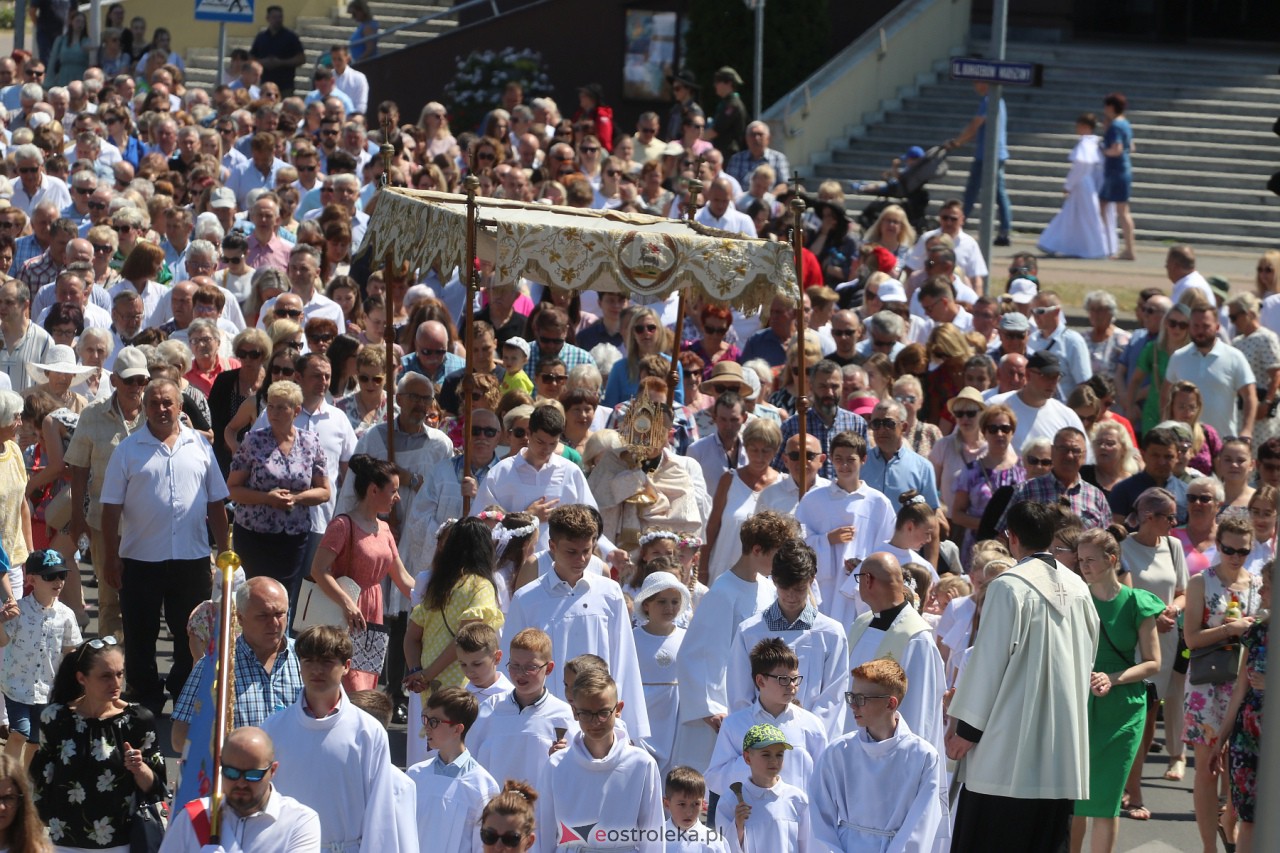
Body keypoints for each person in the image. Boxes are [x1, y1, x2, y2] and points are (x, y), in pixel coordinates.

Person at [946, 500, 1100, 853]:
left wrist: (965, 732)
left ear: (1011, 538)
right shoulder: (1080, 590)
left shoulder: (1008, 587)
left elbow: (988, 664)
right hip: (1062, 753)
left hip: (1007, 757)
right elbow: (1087, 660)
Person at [100, 378, 230, 709]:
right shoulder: (127, 450)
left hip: (192, 558)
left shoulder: (200, 447)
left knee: (192, 632)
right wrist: (110, 558)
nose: (161, 409)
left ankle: (182, 688)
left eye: (167, 402)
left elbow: (216, 504)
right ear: (144, 408)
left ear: (180, 407)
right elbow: (110, 509)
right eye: (154, 403)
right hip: (141, 559)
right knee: (141, 634)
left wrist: (226, 552)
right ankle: (145, 696)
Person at [501, 504, 649, 739]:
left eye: (586, 551)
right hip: (542, 721)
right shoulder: (528, 598)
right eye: (571, 551)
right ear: (552, 546)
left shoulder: (609, 593)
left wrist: (630, 724)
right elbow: (511, 662)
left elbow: (624, 658)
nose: (580, 559)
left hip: (598, 718)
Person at [262, 625, 412, 852]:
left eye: (326, 661)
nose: (316, 670)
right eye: (308, 661)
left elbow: (381, 811)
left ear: (346, 666)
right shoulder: (273, 728)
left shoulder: (367, 732)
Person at [674, 511, 795, 776]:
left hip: (756, 701)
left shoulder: (767, 588)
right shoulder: (723, 592)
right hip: (723, 712)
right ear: (756, 549)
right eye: (776, 555)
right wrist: (712, 709)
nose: (780, 563)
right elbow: (699, 654)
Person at [1072, 526, 1163, 853]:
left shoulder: (1137, 602)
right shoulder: (1074, 599)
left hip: (1124, 707)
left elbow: (1153, 663)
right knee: (1076, 800)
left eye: (1091, 560)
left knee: (1106, 799)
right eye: (1080, 560)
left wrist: (1113, 677)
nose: (1083, 566)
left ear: (1112, 559)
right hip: (1080, 703)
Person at [32, 636, 167, 850]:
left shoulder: (138, 720)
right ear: (81, 678)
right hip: (64, 843)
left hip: (121, 843)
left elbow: (158, 789)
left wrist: (140, 769)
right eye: (106, 676)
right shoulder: (56, 718)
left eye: (120, 674)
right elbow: (41, 783)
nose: (116, 683)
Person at [1182, 516, 1262, 853]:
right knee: (1206, 770)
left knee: (1238, 773)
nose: (1234, 556)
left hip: (1247, 686)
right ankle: (1208, 847)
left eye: (1242, 551)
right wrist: (1230, 629)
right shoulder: (1202, 582)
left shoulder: (1260, 584)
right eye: (1228, 549)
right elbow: (1190, 639)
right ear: (1218, 545)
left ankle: (1229, 830)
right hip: (1207, 687)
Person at [810, 658, 944, 853]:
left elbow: (921, 826)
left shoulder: (923, 756)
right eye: (851, 697)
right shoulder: (838, 752)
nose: (853, 706)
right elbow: (819, 818)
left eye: (861, 699)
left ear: (890, 704)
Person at [312, 454, 415, 691]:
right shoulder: (342, 525)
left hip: (373, 613)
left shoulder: (386, 529)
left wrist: (432, 598)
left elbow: (402, 578)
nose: (398, 498)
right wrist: (348, 603)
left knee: (367, 685)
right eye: (393, 491)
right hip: (344, 612)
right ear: (373, 490)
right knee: (347, 683)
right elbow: (318, 569)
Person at [726, 539, 849, 737]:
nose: (791, 596)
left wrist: (808, 734)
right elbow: (740, 695)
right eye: (784, 588)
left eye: (799, 589)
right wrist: (756, 740)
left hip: (810, 740)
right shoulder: (749, 631)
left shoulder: (831, 632)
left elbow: (833, 697)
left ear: (812, 580)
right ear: (773, 579)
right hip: (760, 741)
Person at [227, 379, 331, 606]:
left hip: (293, 536)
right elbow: (233, 489)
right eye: (270, 406)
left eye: (281, 407)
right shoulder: (253, 440)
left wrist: (295, 498)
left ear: (296, 411)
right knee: (254, 595)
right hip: (254, 534)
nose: (274, 412)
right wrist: (267, 499)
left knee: (284, 597)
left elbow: (324, 492)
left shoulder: (310, 442)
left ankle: (280, 640)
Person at [540, 670, 665, 852]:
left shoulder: (642, 764)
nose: (595, 722)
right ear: (574, 712)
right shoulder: (556, 764)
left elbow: (653, 832)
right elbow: (545, 831)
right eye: (586, 713)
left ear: (619, 709)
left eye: (603, 712)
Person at [1117, 487, 1190, 795]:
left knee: (1149, 716)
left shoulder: (1173, 546)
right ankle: (1125, 784)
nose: (1174, 523)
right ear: (1149, 516)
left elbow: (1182, 592)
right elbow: (1123, 595)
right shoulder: (1122, 547)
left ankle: (1132, 785)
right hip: (1133, 640)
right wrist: (1151, 616)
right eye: (1169, 517)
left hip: (1166, 640)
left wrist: (1173, 608)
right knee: (1130, 713)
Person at [705, 637, 828, 811]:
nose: (791, 686)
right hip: (751, 817)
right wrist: (753, 760)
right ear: (761, 681)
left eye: (795, 679)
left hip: (798, 819)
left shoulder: (811, 724)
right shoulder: (735, 724)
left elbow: (824, 779)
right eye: (783, 680)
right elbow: (715, 778)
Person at [161, 726, 321, 852]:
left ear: (272, 771)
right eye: (231, 772)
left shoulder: (299, 822)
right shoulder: (193, 817)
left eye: (252, 775)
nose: (241, 783)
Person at [403, 515, 503, 711]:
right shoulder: (481, 587)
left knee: (435, 737)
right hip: (464, 684)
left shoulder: (438, 586)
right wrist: (426, 674)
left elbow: (411, 636)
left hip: (428, 687)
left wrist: (417, 670)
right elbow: (465, 639)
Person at [794, 431, 895, 616]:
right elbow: (797, 544)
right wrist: (827, 540)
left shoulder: (879, 503)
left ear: (863, 459)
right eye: (839, 459)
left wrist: (865, 565)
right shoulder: (813, 500)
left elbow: (888, 549)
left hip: (861, 590)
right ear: (831, 458)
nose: (844, 465)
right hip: (825, 590)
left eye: (851, 459)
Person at [468, 627, 575, 795]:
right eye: (515, 666)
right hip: (495, 810)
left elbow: (573, 771)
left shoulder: (562, 714)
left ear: (549, 668)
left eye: (530, 667)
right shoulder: (490, 709)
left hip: (540, 810)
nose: (520, 674)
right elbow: (471, 761)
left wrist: (564, 757)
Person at [1211, 557, 1269, 853]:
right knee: (1249, 817)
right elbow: (1239, 689)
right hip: (1248, 736)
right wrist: (1221, 739)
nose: (1260, 593)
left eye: (1268, 587)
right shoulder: (1257, 631)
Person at [0, 550, 81, 763]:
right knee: (19, 733)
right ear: (31, 579)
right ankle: (7, 778)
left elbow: (70, 653)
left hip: (47, 690)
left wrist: (75, 687)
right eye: (50, 576)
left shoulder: (66, 615)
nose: (58, 581)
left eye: (62, 575)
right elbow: (2, 641)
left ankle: (26, 782)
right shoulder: (19, 610)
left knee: (36, 741)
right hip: (16, 686)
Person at [404, 686, 498, 853]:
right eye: (426, 719)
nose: (427, 727)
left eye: (434, 722)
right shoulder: (415, 774)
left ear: (457, 729)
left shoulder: (483, 784)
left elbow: (482, 847)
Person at [711, 722, 813, 853]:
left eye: (779, 754)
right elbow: (722, 847)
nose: (774, 761)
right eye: (766, 754)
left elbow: (809, 845)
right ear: (748, 758)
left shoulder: (797, 799)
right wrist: (738, 825)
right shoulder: (729, 801)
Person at [702, 418, 782, 584]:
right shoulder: (729, 479)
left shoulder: (783, 485)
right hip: (722, 571)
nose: (759, 457)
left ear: (775, 451)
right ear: (745, 448)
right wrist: (702, 568)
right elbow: (712, 527)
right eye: (754, 450)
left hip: (765, 578)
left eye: (766, 451)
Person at [1165, 301, 1256, 442]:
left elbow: (1250, 396)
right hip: (1184, 441)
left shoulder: (1234, 357)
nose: (1200, 331)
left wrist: (1247, 430)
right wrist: (1166, 426)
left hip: (1222, 442)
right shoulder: (1178, 357)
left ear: (1217, 327)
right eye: (1196, 326)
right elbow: (1166, 395)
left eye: (1206, 326)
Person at [998, 426, 1112, 532]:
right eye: (1063, 449)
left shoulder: (1097, 497)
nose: (1069, 456)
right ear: (1052, 451)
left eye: (1076, 451)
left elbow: (1107, 542)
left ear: (1085, 455)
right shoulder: (1025, 490)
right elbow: (1005, 534)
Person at [632, 569, 689, 775]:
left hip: (675, 715)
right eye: (662, 602)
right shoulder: (633, 638)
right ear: (647, 604)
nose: (669, 607)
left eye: (674, 601)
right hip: (645, 713)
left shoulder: (687, 637)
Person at [953, 403, 1024, 562]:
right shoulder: (971, 471)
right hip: (979, 545)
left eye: (1005, 428)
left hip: (1015, 547)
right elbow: (957, 514)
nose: (999, 433)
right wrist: (990, 526)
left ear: (1012, 432)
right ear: (984, 432)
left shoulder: (1024, 470)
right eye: (993, 429)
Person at [946, 82, 1012, 246]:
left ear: (984, 83)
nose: (974, 85)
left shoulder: (989, 101)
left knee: (972, 191)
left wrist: (958, 142)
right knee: (997, 193)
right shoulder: (998, 100)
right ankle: (1004, 228)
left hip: (988, 155)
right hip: (995, 152)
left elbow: (975, 125)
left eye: (976, 82)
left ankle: (958, 223)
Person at [1038, 113, 1109, 259]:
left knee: (1081, 216)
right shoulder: (1093, 143)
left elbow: (1080, 167)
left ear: (1084, 127)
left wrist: (1068, 185)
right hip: (1087, 183)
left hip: (1081, 184)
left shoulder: (1085, 143)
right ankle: (1053, 243)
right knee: (1075, 216)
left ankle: (1091, 247)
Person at [1100, 92, 1135, 260]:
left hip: (1115, 171)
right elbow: (1132, 147)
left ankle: (1107, 245)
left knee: (1105, 207)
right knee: (1122, 210)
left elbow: (1117, 149)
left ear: (1111, 107)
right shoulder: (1125, 124)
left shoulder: (1115, 126)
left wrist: (1102, 150)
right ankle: (1127, 248)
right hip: (1124, 170)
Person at [663, 767, 728, 852]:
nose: (689, 812)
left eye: (695, 804)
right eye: (682, 804)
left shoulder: (714, 842)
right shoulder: (653, 839)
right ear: (667, 804)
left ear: (702, 804)